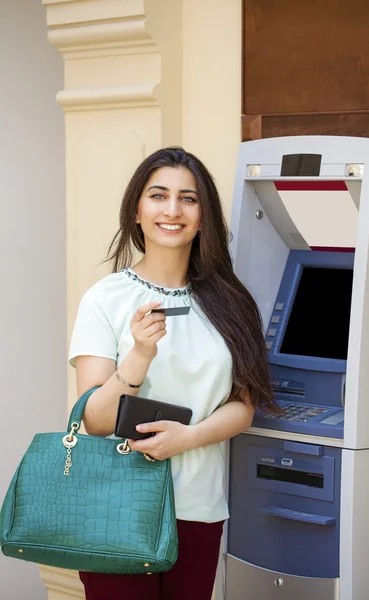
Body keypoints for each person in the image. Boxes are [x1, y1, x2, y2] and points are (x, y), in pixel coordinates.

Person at [69, 147, 276, 600]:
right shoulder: (104, 299)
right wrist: (140, 354)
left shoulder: (231, 301)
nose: (172, 210)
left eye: (189, 198)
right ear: (137, 211)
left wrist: (188, 438)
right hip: (116, 505)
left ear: (203, 216)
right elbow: (96, 419)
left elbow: (243, 406)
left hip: (199, 508)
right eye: (158, 195)